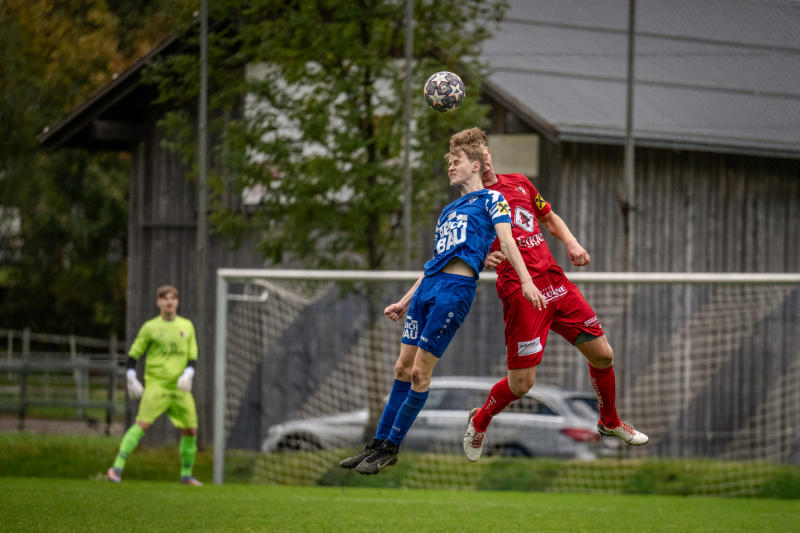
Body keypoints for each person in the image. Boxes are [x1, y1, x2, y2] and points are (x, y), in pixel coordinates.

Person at [339, 143, 543, 475]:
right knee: (401, 368)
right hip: (427, 290)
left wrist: (527, 281)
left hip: (454, 292)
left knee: (419, 373)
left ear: (475, 166)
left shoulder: (493, 199)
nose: (450, 166)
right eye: (449, 162)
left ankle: (391, 447)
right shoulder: (448, 210)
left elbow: (507, 242)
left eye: (456, 161)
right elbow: (435, 262)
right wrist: (405, 301)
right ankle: (376, 444)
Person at [449, 128, 648, 462]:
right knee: (521, 384)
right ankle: (480, 419)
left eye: (486, 152)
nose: (485, 160)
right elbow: (459, 251)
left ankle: (609, 422)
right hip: (521, 293)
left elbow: (549, 218)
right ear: (472, 166)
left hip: (555, 283)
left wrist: (571, 242)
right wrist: (483, 257)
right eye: (476, 157)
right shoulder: (470, 205)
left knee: (603, 355)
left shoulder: (520, 183)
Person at [107, 285, 203, 485]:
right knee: (142, 424)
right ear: (159, 302)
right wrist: (131, 376)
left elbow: (193, 356)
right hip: (157, 386)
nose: (169, 302)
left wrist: (189, 373)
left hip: (179, 388)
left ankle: (186, 475)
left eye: (173, 298)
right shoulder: (150, 327)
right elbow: (134, 353)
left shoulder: (187, 326)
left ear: (177, 302)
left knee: (191, 430)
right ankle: (116, 468)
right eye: (165, 298)